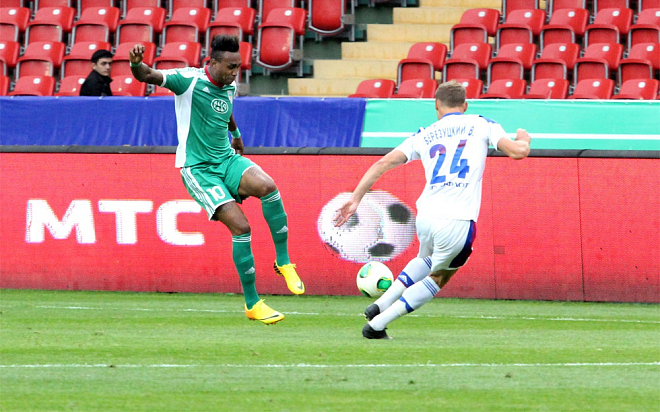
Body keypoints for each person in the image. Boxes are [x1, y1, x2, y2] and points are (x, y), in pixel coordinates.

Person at [128, 34, 304, 325]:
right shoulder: (188, 81)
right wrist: (136, 64)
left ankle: (283, 261)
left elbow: (225, 109)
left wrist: (236, 135)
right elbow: (148, 75)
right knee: (241, 227)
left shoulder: (229, 84)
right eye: (231, 67)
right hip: (198, 169)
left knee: (268, 187)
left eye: (238, 67)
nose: (235, 73)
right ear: (213, 62)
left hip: (226, 159)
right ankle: (253, 303)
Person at [334, 81, 531, 339]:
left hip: (426, 216)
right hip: (456, 219)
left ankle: (380, 304)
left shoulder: (424, 134)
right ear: (465, 105)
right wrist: (524, 139)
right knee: (439, 277)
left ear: (436, 105)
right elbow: (517, 152)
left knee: (426, 258)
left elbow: (382, 163)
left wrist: (356, 199)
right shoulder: (482, 124)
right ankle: (377, 325)